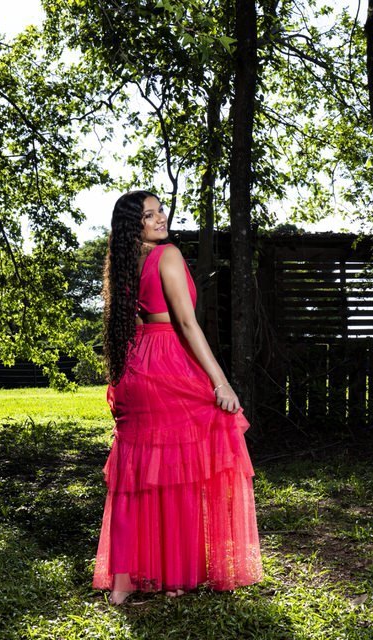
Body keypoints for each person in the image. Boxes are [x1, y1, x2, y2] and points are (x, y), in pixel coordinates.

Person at [92, 190, 263, 604]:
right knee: (187, 461)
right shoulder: (166, 256)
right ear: (135, 226)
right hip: (165, 362)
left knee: (137, 475)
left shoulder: (124, 263)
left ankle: (123, 584)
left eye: (160, 211)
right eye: (149, 215)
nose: (160, 219)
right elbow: (186, 324)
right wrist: (220, 382)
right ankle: (177, 577)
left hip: (134, 368)